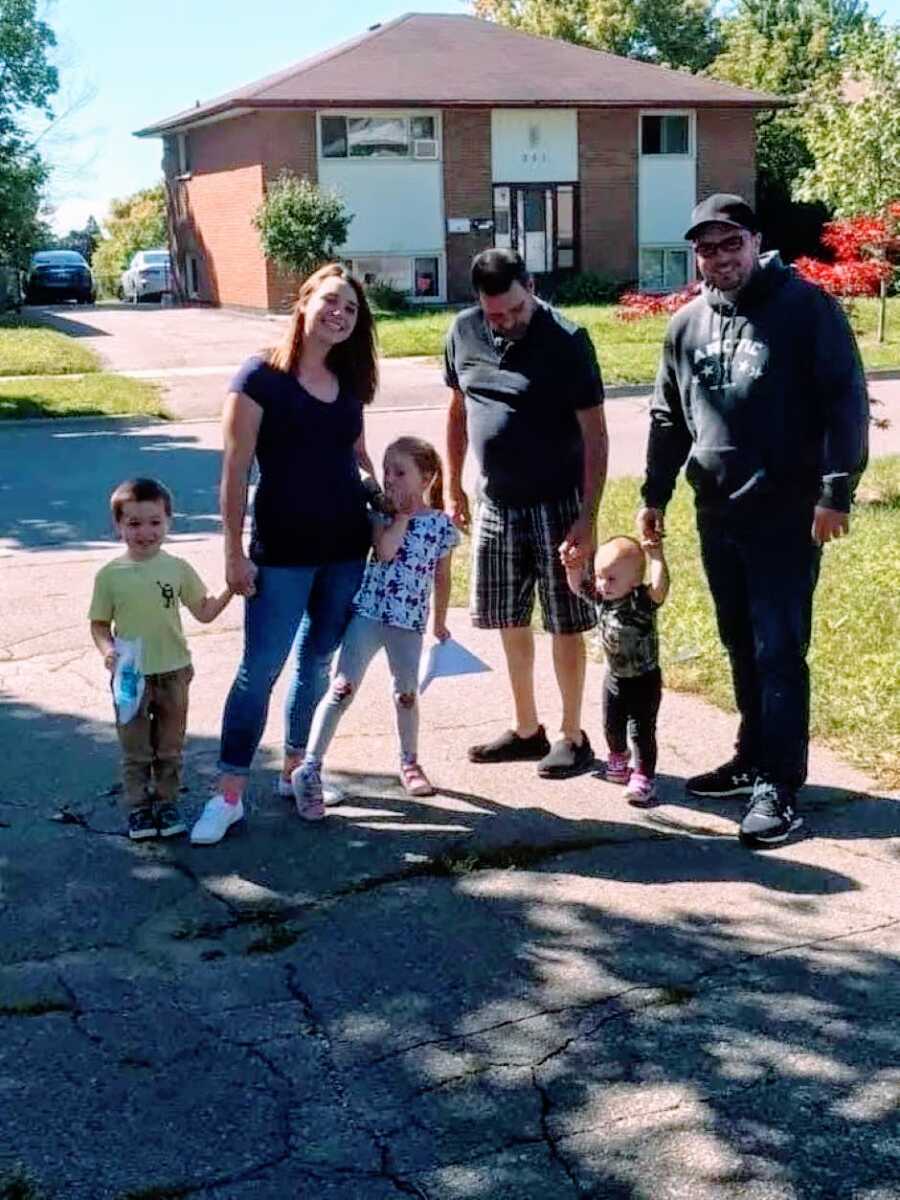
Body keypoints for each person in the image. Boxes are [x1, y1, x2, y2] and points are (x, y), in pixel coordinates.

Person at [638, 193, 869, 847]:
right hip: (719, 511)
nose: (719, 257)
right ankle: (750, 756)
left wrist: (835, 491)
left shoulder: (806, 309)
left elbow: (845, 400)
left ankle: (782, 787)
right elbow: (667, 417)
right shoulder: (685, 326)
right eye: (706, 248)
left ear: (755, 241)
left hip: (788, 512)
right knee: (740, 641)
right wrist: (654, 493)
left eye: (729, 243)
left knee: (778, 649)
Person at [190, 263, 380, 846]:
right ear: (303, 303)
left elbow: (358, 457)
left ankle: (298, 771)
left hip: (347, 550)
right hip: (281, 554)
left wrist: (392, 499)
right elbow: (233, 471)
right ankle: (228, 794)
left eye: (350, 308)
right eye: (330, 301)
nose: (339, 314)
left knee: (318, 665)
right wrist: (231, 553)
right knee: (259, 672)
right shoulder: (259, 377)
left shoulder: (348, 382)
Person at [445, 248, 609, 779]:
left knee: (565, 620)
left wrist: (587, 518)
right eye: (496, 314)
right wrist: (452, 485)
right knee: (507, 618)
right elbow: (457, 410)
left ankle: (572, 734)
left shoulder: (567, 340)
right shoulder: (463, 333)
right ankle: (525, 729)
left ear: (530, 286)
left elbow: (596, 435)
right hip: (497, 500)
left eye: (516, 308)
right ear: (479, 303)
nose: (508, 321)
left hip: (558, 503)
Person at [292, 437, 459, 816]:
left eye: (401, 472)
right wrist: (397, 514)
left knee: (406, 694)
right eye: (387, 471)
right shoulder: (381, 516)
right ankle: (310, 768)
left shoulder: (441, 527)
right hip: (369, 617)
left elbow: (442, 577)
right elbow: (385, 552)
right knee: (341, 689)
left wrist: (441, 620)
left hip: (408, 624)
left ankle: (409, 761)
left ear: (427, 478)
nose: (391, 479)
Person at [89, 478, 232, 840]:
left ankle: (166, 803)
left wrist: (233, 587)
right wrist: (108, 651)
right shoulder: (110, 576)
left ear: (169, 521)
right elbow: (99, 624)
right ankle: (138, 808)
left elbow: (205, 611)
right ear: (118, 527)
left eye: (155, 522)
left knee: (169, 748)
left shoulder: (178, 568)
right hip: (130, 677)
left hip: (173, 672)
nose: (145, 532)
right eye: (134, 523)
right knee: (135, 750)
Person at [564, 535, 669, 805]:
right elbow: (578, 587)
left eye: (611, 579)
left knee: (642, 730)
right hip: (614, 678)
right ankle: (618, 757)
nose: (602, 584)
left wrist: (656, 556)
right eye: (600, 576)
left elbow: (659, 588)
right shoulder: (602, 599)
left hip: (644, 678)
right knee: (611, 725)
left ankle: (644, 777)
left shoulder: (641, 600)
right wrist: (572, 566)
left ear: (634, 580)